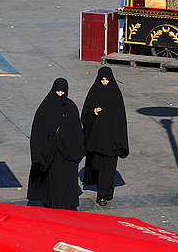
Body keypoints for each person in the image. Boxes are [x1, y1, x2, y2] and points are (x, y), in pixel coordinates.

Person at [27, 78, 85, 209]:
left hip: (67, 154)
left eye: (62, 91)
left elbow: (76, 130)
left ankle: (65, 203)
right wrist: (38, 154)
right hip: (50, 153)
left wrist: (76, 149)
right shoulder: (45, 108)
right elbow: (38, 132)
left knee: (65, 179)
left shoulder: (71, 107)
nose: (60, 94)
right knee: (52, 180)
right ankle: (51, 202)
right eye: (57, 91)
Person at [81, 67, 129, 206]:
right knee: (97, 167)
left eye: (107, 79)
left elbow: (121, 119)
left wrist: (121, 142)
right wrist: (93, 112)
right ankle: (104, 191)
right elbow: (85, 113)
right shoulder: (94, 92)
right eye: (102, 79)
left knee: (108, 170)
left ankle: (103, 195)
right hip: (96, 141)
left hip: (111, 141)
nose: (104, 82)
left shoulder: (116, 94)